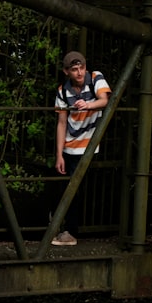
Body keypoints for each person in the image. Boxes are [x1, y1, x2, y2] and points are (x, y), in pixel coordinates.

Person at [51, 50, 111, 246]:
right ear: (66, 71)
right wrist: (59, 154)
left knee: (73, 189)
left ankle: (70, 232)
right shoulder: (62, 91)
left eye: (82, 68)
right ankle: (61, 229)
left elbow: (105, 101)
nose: (79, 73)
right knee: (62, 188)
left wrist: (88, 104)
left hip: (87, 146)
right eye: (75, 70)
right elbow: (61, 123)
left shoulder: (95, 78)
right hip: (68, 146)